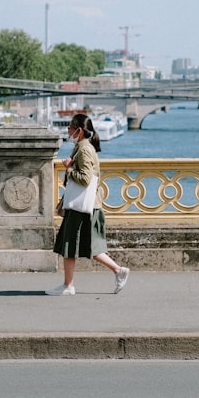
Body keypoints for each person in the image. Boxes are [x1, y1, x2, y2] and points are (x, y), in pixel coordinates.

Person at [47, 113, 130, 296]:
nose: (67, 130)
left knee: (70, 245)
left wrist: (69, 169)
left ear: (79, 131)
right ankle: (116, 271)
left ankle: (69, 286)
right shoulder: (83, 147)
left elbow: (85, 179)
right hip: (87, 204)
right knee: (86, 246)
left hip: (83, 206)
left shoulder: (83, 149)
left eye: (70, 127)